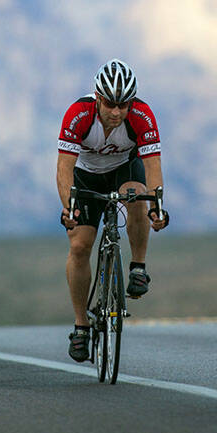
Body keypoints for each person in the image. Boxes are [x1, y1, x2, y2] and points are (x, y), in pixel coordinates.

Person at [58, 59, 169, 362]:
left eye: (124, 105)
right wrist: (68, 207)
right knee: (80, 245)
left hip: (124, 170)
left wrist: (157, 207)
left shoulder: (142, 116)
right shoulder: (78, 115)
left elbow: (153, 167)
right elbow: (64, 169)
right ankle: (81, 326)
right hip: (85, 175)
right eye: (110, 104)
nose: (117, 112)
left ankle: (138, 268)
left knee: (136, 196)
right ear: (97, 98)